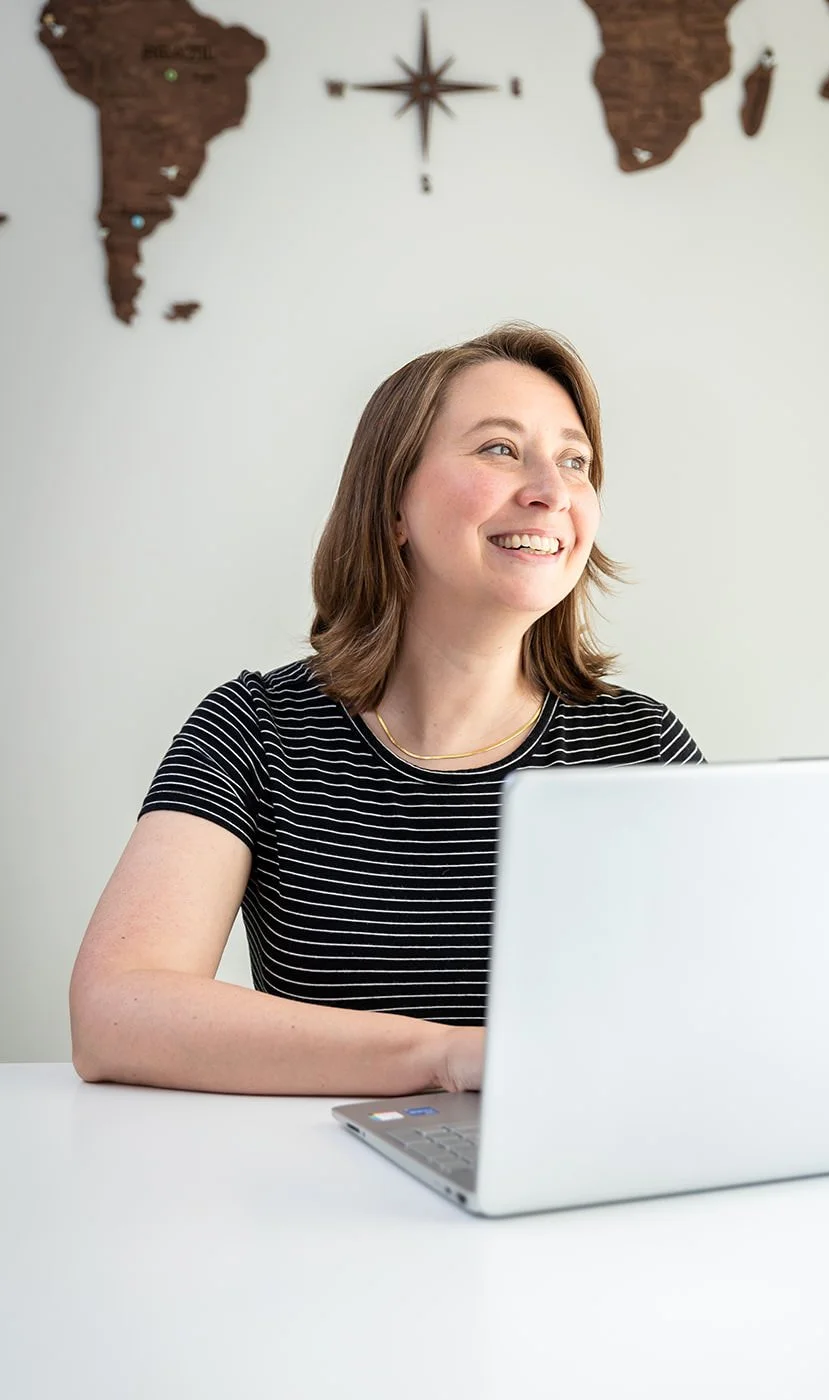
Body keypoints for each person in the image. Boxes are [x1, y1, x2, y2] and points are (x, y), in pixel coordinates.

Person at [69, 322, 705, 1097]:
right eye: (500, 449)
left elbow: (738, 1006)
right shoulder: (255, 729)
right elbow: (114, 1012)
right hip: (313, 1192)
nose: (552, 490)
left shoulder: (639, 747)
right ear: (393, 504)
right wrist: (446, 1058)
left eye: (575, 462)